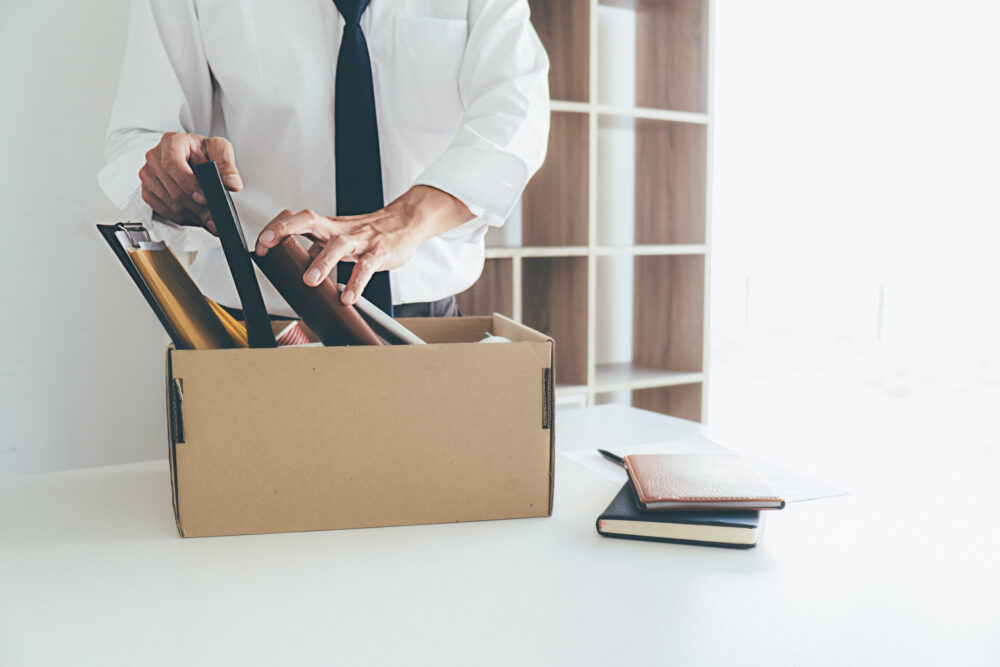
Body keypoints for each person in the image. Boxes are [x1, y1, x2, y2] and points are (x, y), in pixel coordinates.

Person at [100, 0, 549, 318]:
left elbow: (517, 110)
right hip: (255, 327)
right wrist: (173, 175)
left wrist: (406, 219)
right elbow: (139, 137)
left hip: (425, 325)